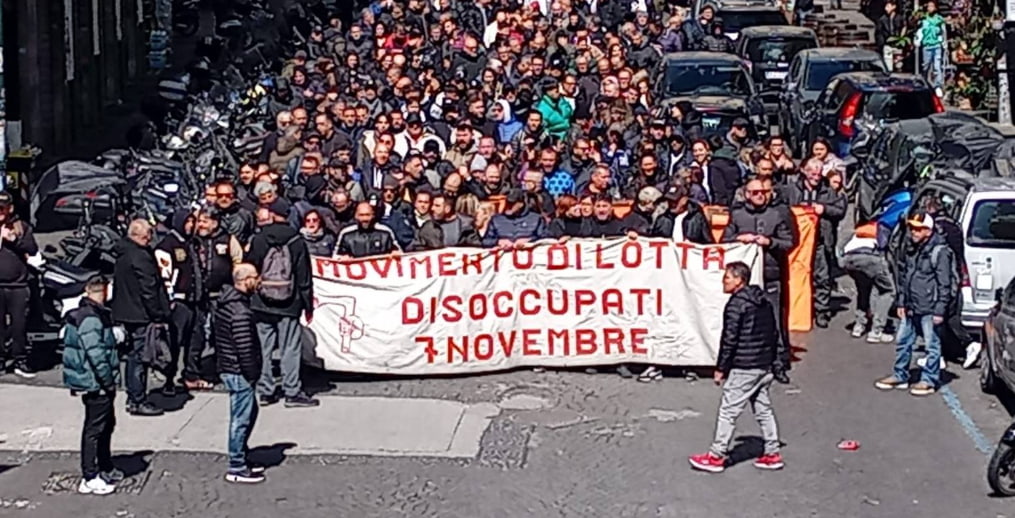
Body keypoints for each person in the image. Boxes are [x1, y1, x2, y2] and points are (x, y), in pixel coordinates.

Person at [688, 262, 783, 473]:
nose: (724, 281)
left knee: (728, 411)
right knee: (762, 408)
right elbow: (774, 332)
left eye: (727, 277)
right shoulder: (764, 301)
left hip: (744, 366)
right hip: (762, 365)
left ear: (739, 280)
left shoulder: (736, 305)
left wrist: (721, 367)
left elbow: (729, 340)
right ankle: (772, 452)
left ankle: (716, 456)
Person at [722, 178, 797, 383]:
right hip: (744, 281)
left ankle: (779, 363)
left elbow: (789, 242)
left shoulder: (776, 214)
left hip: (770, 275)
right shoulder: (737, 215)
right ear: (746, 194)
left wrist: (769, 242)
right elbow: (723, 241)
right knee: (743, 321)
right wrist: (738, 239)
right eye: (755, 192)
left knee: (774, 320)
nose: (760, 195)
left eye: (763, 192)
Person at [245, 201, 318, 408]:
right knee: (290, 348)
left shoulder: (259, 238)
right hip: (289, 302)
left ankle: (266, 390)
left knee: (264, 347)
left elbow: (250, 268)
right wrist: (308, 305)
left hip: (261, 301)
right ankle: (292, 391)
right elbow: (304, 276)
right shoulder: (296, 240)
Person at [875, 212, 954, 396]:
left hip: (929, 306)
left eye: (918, 229)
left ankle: (929, 380)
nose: (913, 232)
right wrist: (902, 302)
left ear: (928, 230)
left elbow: (945, 283)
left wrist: (940, 310)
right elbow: (905, 276)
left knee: (931, 345)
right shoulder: (912, 248)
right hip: (911, 304)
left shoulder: (940, 252)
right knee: (903, 341)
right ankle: (900, 375)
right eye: (912, 228)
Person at [63, 275, 124, 495]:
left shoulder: (90, 314)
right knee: (95, 428)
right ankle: (90, 476)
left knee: (106, 424)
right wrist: (107, 381)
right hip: (95, 383)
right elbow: (96, 354)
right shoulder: (91, 318)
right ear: (104, 291)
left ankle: (105, 466)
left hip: (95, 381)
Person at [112, 219, 171, 416]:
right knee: (140, 358)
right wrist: (158, 314)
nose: (150, 239)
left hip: (126, 311)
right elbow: (149, 289)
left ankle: (133, 396)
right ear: (138, 235)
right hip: (140, 314)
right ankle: (138, 399)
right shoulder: (140, 256)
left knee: (132, 357)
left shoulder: (123, 252)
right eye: (147, 235)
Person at [215, 263, 268, 484]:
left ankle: (241, 457)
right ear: (245, 280)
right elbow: (244, 347)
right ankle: (237, 465)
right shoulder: (240, 312)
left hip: (230, 366)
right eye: (256, 277)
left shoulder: (228, 304)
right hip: (238, 371)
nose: (259, 281)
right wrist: (253, 373)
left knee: (248, 413)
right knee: (241, 418)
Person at [783, 158, 847, 328]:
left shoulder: (828, 191)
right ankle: (793, 308)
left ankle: (821, 311)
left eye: (819, 173)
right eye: (812, 172)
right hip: (797, 240)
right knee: (795, 274)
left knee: (822, 276)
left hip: (820, 240)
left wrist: (824, 209)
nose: (816, 176)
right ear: (804, 171)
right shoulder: (790, 190)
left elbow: (840, 210)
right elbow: (780, 209)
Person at [154, 209, 200, 397]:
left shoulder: (190, 243)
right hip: (178, 303)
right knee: (174, 342)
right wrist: (170, 301)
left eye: (192, 221)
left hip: (193, 301)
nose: (191, 225)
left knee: (194, 341)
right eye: (188, 222)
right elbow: (165, 276)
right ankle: (168, 380)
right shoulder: (167, 246)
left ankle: (189, 375)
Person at [0, 192, 39, 377]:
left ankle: (19, 359)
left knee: (19, 325)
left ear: (10, 208)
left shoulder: (21, 226)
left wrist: (14, 240)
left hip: (17, 285)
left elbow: (32, 249)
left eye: (3, 208)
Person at [841, 220, 896, 343]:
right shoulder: (883, 227)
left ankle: (859, 325)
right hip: (869, 257)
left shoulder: (862, 229)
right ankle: (876, 331)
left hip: (849, 259)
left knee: (863, 288)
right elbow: (884, 246)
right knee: (888, 291)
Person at [482, 189, 548, 247]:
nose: (508, 206)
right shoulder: (496, 220)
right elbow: (485, 241)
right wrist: (498, 242)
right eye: (507, 203)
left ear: (521, 204)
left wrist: (530, 240)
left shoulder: (536, 219)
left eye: (512, 203)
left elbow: (546, 239)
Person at [335, 202, 402, 258]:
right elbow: (335, 257)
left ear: (373, 215)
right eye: (361, 215)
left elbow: (399, 253)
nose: (365, 219)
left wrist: (395, 254)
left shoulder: (385, 232)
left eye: (367, 215)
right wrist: (341, 258)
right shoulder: (346, 234)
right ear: (356, 216)